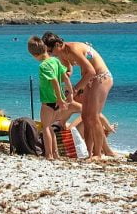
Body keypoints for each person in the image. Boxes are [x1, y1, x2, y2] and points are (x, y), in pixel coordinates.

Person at [42, 31, 113, 160]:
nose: (51, 54)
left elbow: (91, 71)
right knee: (86, 117)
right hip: (89, 80)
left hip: (101, 77)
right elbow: (68, 70)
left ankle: (98, 153)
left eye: (51, 50)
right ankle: (89, 153)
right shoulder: (62, 54)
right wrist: (61, 80)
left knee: (93, 116)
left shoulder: (73, 49)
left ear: (58, 44)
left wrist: (74, 89)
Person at [28, 36, 72, 160]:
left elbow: (54, 81)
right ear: (46, 48)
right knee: (50, 127)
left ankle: (49, 154)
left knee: (46, 127)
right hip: (59, 101)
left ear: (34, 54)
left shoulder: (43, 66)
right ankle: (56, 153)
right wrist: (70, 92)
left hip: (49, 100)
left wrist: (59, 98)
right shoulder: (55, 61)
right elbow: (65, 77)